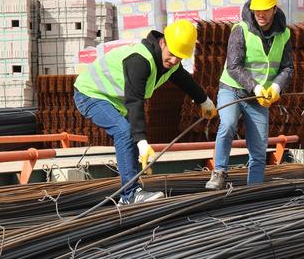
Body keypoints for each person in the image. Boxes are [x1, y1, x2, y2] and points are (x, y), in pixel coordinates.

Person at [74, 20, 217, 205]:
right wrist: (142, 141)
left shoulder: (169, 63)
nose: (174, 60)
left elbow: (184, 80)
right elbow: (135, 102)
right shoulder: (139, 61)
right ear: (163, 42)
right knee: (125, 132)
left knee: (129, 133)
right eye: (172, 54)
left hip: (111, 99)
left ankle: (131, 191)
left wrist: (204, 101)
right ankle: (130, 195)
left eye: (180, 57)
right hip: (90, 94)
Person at [205, 0, 293, 190]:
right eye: (257, 10)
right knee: (227, 124)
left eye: (265, 10)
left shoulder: (284, 34)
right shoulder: (241, 30)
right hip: (233, 89)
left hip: (259, 97)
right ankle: (219, 173)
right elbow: (233, 66)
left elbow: (287, 67)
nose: (260, 14)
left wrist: (277, 87)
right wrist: (255, 87)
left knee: (260, 145)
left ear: (274, 10)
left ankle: (254, 188)